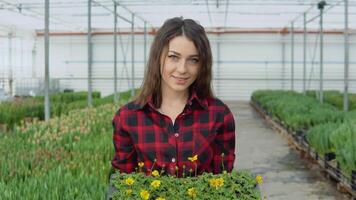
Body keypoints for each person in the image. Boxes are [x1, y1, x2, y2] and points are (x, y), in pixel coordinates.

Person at [111, 17, 236, 178]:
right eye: (173, 57)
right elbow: (124, 182)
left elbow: (223, 179)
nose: (182, 69)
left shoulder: (219, 114)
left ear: (202, 64)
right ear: (158, 57)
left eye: (193, 60)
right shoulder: (128, 117)